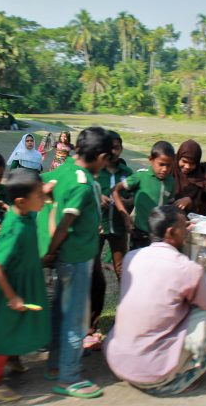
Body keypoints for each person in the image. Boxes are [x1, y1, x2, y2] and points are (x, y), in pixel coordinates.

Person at [104, 205, 206, 396]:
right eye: (183, 226)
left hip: (118, 363)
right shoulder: (187, 269)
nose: (187, 230)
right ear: (170, 232)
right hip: (154, 376)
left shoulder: (131, 257)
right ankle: (183, 375)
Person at [43, 127, 112, 399]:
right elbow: (63, 225)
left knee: (60, 313)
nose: (105, 165)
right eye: (106, 160)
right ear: (101, 156)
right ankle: (69, 377)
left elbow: (47, 185)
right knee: (75, 319)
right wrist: (51, 248)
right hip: (77, 258)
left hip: (66, 259)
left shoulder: (66, 169)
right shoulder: (82, 185)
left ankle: (55, 364)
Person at [0, 169, 51, 401]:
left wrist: (45, 189)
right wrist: (12, 296)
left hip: (25, 282)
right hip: (9, 289)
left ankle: (12, 358)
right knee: (3, 333)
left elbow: (37, 197)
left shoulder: (26, 213)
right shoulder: (13, 228)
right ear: (21, 201)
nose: (44, 199)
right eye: (39, 196)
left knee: (18, 326)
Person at [87, 131, 133, 350]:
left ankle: (126, 320)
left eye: (117, 147)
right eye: (110, 148)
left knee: (122, 271)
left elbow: (134, 198)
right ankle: (91, 326)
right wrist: (99, 198)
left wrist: (123, 201)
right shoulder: (97, 171)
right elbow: (86, 192)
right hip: (97, 227)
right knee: (94, 274)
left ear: (121, 149)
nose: (114, 152)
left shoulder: (127, 172)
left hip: (118, 229)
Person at [113, 141, 175, 250]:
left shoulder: (171, 181)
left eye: (168, 165)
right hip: (140, 233)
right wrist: (125, 215)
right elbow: (115, 190)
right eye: (161, 164)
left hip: (161, 235)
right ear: (151, 160)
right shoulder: (141, 176)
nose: (165, 169)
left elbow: (170, 204)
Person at [172, 139, 205, 214]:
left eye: (192, 163)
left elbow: (196, 208)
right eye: (184, 161)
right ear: (178, 157)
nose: (187, 166)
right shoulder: (169, 168)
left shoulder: (198, 178)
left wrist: (189, 201)